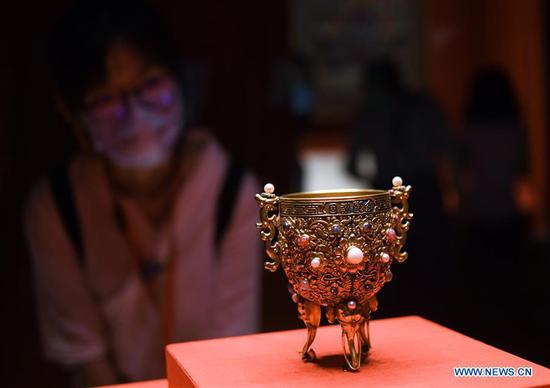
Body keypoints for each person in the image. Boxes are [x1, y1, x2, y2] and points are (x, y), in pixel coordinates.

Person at [24, 1, 261, 386]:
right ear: (70, 112)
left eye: (150, 85)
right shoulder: (57, 206)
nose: (135, 114)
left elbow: (230, 352)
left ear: (181, 81)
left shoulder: (232, 193)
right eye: (105, 99)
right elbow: (87, 360)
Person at [346, 58, 457, 324]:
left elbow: (351, 164)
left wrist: (374, 182)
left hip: (395, 192)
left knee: (394, 269)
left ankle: (412, 321)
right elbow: (447, 148)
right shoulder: (421, 105)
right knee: (422, 268)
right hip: (422, 189)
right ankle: (431, 322)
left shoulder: (370, 112)